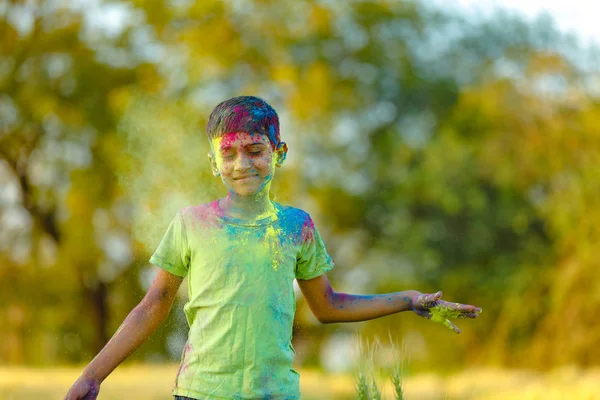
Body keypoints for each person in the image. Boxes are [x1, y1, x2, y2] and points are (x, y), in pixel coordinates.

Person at [64, 96, 481, 400]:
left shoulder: (295, 226)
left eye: (255, 150)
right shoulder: (192, 223)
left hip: (275, 394)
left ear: (278, 153)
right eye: (227, 153)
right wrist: (93, 375)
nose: (241, 164)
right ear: (213, 162)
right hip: (200, 393)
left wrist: (407, 300)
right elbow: (153, 305)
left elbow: (328, 306)